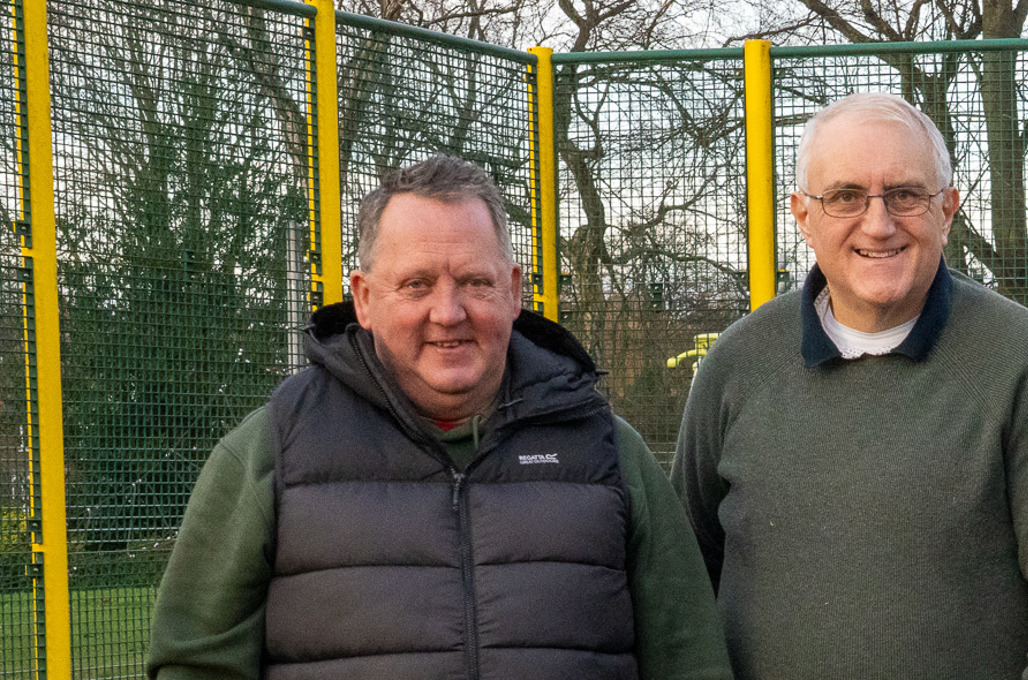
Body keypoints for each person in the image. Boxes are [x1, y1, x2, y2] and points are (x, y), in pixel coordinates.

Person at [146, 156, 733, 680]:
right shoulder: (271, 450)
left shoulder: (608, 451)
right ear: (365, 298)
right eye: (417, 284)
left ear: (513, 290)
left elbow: (690, 658)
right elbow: (195, 662)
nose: (447, 313)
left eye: (475, 282)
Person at [670, 92, 1028, 680]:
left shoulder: (1026, 361)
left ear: (948, 209)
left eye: (906, 195)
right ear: (803, 215)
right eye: (845, 197)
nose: (878, 224)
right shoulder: (738, 364)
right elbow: (681, 591)